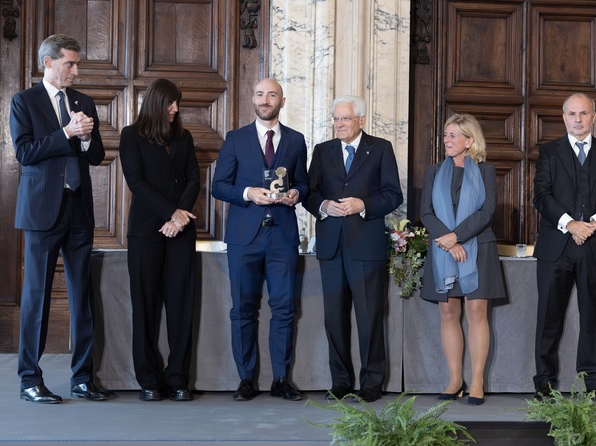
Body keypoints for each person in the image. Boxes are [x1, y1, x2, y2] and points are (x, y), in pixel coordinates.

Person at [10, 34, 107, 403]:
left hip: (79, 210)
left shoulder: (83, 101)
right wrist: (66, 132)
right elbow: (24, 153)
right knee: (36, 297)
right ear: (48, 62)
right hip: (41, 212)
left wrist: (86, 138)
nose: (75, 71)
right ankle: (29, 380)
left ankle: (82, 378)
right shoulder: (24, 101)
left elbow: (96, 155)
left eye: (77, 64)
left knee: (82, 296)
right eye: (70, 63)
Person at [211, 78, 309, 401]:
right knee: (242, 309)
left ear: (282, 101)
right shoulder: (235, 139)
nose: (265, 99)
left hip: (282, 236)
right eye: (259, 94)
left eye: (271, 94)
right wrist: (248, 193)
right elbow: (218, 186)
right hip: (244, 238)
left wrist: (296, 194)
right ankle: (246, 380)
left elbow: (304, 184)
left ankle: (281, 378)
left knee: (284, 309)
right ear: (252, 99)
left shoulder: (296, 140)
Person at [304, 95, 403, 403]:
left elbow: (393, 195)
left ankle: (372, 383)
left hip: (366, 246)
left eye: (345, 118)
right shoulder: (323, 151)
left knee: (370, 317)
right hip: (331, 246)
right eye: (336, 119)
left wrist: (364, 205)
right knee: (334, 318)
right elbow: (309, 193)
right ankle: (340, 382)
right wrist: (323, 206)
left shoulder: (381, 148)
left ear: (361, 120)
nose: (339, 124)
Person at [533, 93, 596, 403]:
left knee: (592, 316)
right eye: (572, 114)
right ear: (564, 118)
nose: (578, 119)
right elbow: (541, 196)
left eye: (584, 113)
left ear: (594, 117)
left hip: (595, 245)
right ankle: (545, 383)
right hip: (556, 246)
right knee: (549, 317)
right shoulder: (549, 152)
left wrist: (593, 223)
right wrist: (570, 224)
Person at [119, 78, 200, 402]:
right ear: (156, 103)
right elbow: (136, 182)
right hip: (145, 232)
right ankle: (149, 380)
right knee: (145, 308)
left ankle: (178, 378)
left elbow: (194, 179)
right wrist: (172, 213)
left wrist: (179, 219)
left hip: (180, 233)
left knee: (181, 308)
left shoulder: (184, 137)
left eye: (177, 103)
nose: (175, 109)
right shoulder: (131, 136)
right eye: (170, 103)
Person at [419, 113, 506, 406]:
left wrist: (457, 236)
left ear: (470, 141)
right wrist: (449, 241)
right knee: (448, 313)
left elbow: (487, 211)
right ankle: (455, 380)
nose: (447, 140)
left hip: (478, 246)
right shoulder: (433, 171)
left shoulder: (485, 171)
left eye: (453, 135)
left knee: (477, 311)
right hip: (443, 249)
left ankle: (477, 380)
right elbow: (426, 212)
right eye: (446, 135)